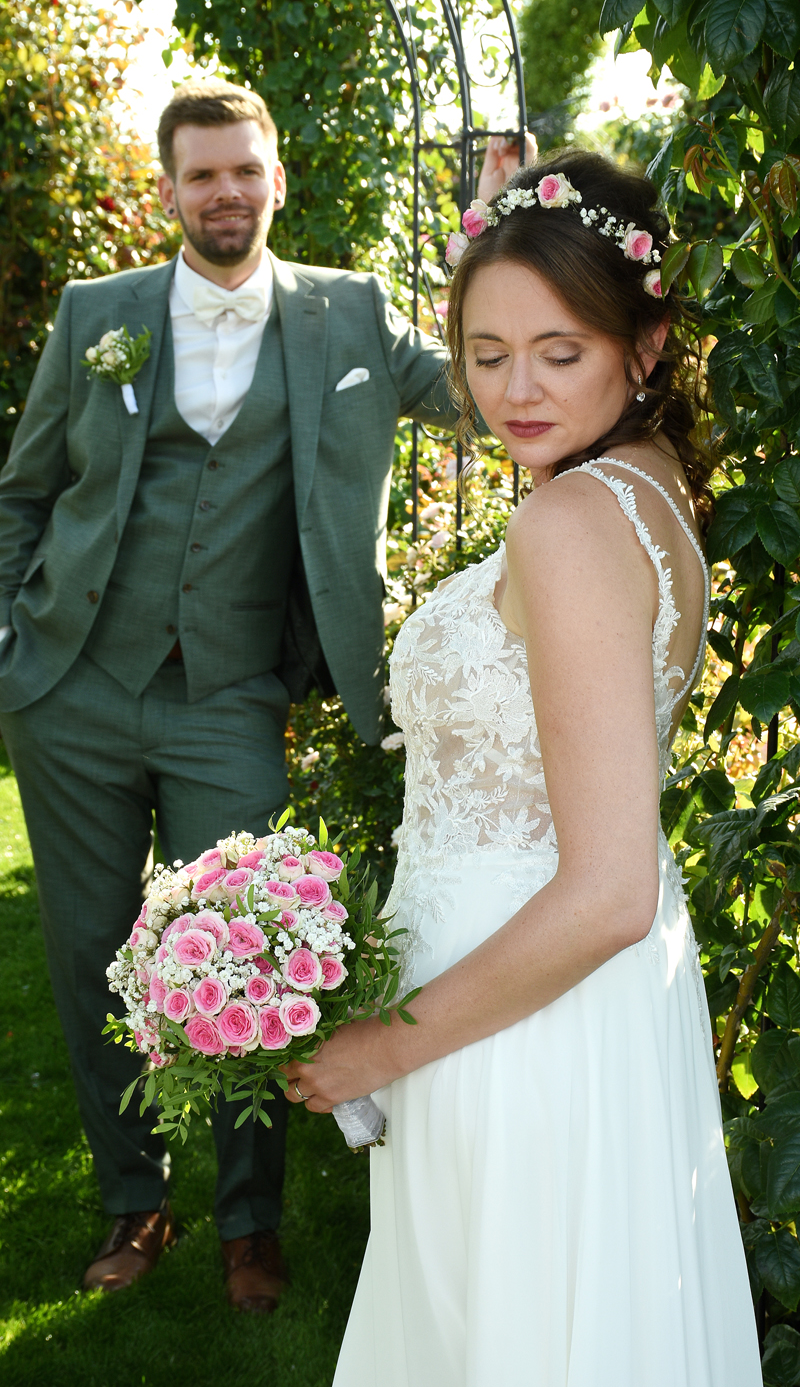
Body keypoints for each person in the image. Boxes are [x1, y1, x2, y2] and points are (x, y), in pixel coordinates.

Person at [0, 79, 526, 1311]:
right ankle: (134, 1199)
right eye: (201, 174)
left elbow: (480, 393)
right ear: (169, 190)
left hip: (230, 695)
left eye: (242, 170)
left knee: (258, 949)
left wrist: (496, 240)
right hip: (69, 687)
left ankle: (249, 1222)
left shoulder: (350, 312)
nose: (224, 193)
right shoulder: (98, 314)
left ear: (278, 179)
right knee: (91, 951)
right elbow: (23, 491)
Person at [283, 150, 762, 1384]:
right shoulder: (645, 491)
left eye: (559, 351)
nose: (517, 390)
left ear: (644, 344)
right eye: (487, 354)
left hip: (512, 1025)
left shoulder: (570, 522)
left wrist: (380, 1046)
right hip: (557, 1009)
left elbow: (606, 890)